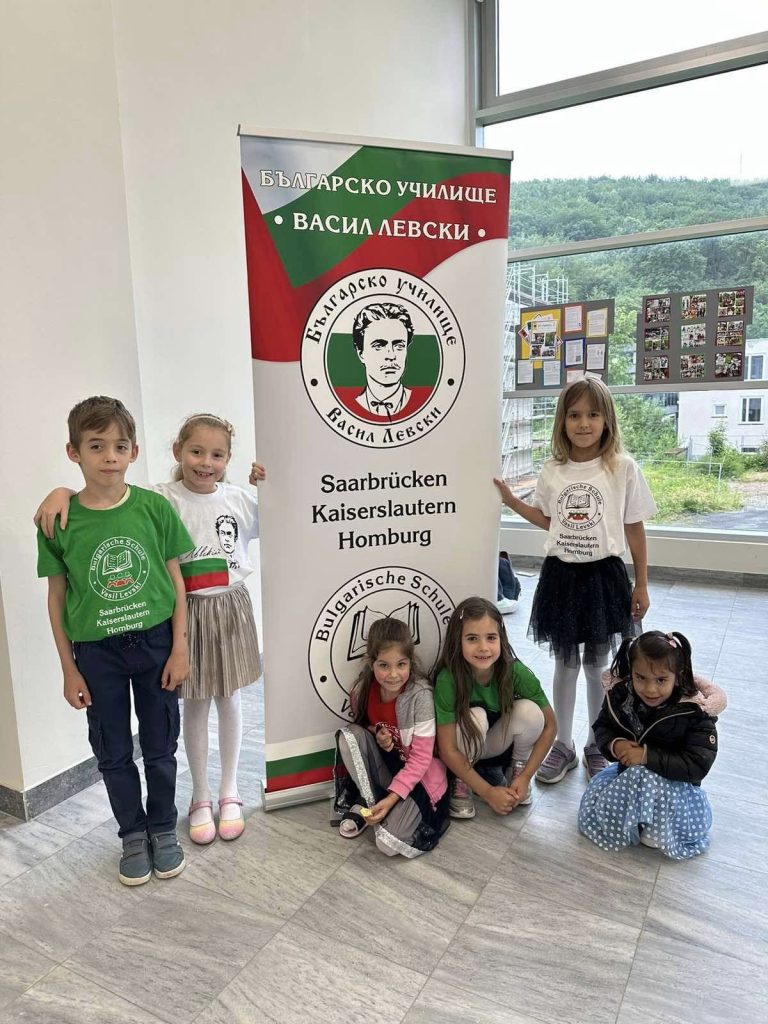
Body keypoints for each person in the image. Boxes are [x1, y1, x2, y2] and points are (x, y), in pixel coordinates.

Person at [36, 412, 264, 847]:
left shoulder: (237, 498)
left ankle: (228, 790)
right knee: (193, 702)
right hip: (184, 613)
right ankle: (199, 796)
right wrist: (59, 491)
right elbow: (107, 493)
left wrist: (266, 485)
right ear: (177, 451)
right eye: (196, 451)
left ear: (228, 459)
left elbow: (279, 518)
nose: (206, 462)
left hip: (228, 608)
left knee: (229, 697)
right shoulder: (162, 498)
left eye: (217, 455)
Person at [36, 396, 194, 886]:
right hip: (96, 654)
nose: (109, 456)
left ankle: (163, 828)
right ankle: (132, 834)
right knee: (112, 750)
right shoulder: (58, 521)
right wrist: (69, 668)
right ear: (74, 452)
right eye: (96, 445)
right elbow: (56, 598)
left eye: (120, 446)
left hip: (156, 645)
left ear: (134, 452)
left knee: (161, 745)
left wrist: (180, 647)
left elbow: (177, 581)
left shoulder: (154, 509)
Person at [494, 377, 657, 785]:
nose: (583, 423)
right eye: (574, 415)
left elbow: (634, 528)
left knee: (597, 666)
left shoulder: (622, 467)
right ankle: (562, 743)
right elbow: (549, 520)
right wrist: (512, 502)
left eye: (592, 415)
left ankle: (595, 743)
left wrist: (641, 583)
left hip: (605, 578)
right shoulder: (553, 470)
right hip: (561, 577)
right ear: (562, 421)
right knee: (565, 664)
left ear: (606, 420)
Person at [578, 630, 724, 860]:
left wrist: (646, 755)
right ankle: (634, 819)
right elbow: (603, 726)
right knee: (609, 809)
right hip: (628, 781)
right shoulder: (621, 696)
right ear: (631, 672)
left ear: (678, 675)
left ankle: (656, 826)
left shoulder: (694, 712)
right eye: (641, 678)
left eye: (661, 680)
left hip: (675, 792)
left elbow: (697, 763)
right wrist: (616, 745)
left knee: (648, 781)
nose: (650, 689)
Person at [333, 617, 449, 857]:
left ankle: (385, 804)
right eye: (384, 665)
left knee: (387, 844)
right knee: (349, 736)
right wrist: (377, 733)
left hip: (419, 778)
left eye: (401, 664)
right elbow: (366, 725)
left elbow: (421, 759)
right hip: (388, 767)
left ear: (410, 662)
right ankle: (369, 800)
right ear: (371, 663)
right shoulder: (363, 689)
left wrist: (393, 799)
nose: (393, 674)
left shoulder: (420, 696)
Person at [434, 597, 556, 819]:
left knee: (530, 712)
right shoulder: (448, 679)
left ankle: (516, 769)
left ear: (501, 638)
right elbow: (447, 749)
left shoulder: (516, 672)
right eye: (472, 638)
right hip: (463, 751)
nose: (483, 648)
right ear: (457, 641)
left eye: (491, 637)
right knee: (477, 716)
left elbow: (550, 725)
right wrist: (488, 792)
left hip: (496, 746)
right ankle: (461, 781)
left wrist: (526, 776)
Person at [334, 302, 431, 423]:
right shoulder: (348, 405)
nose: (391, 356)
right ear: (361, 353)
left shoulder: (423, 402)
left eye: (399, 345)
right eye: (379, 346)